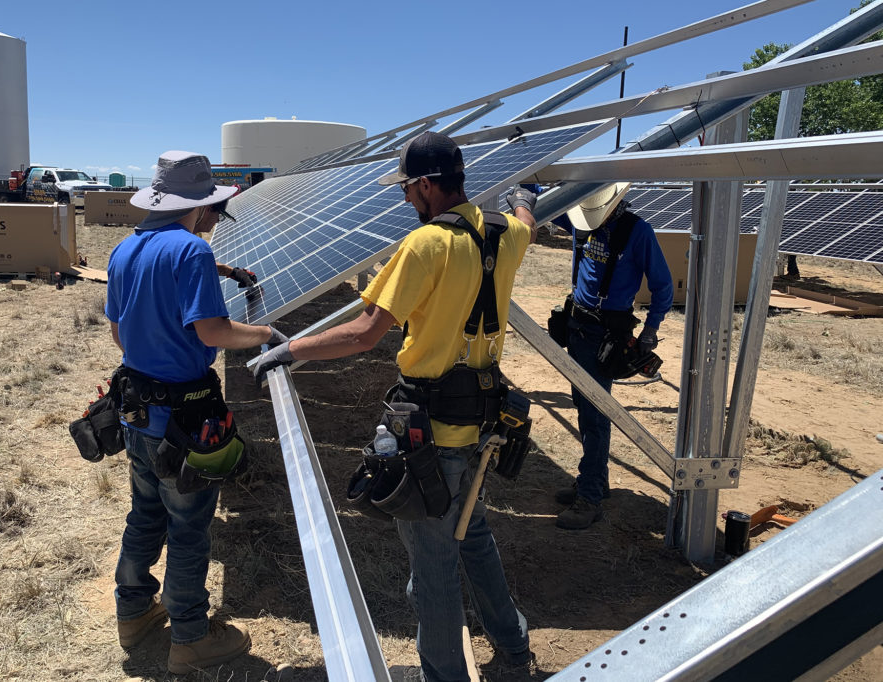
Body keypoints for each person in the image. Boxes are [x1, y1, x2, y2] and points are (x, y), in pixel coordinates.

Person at [252, 132, 538, 681]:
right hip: (482, 430)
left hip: (433, 440)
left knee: (432, 574)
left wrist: (290, 350)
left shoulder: (426, 245)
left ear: (429, 185)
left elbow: (364, 334)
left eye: (410, 188)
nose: (406, 199)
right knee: (474, 537)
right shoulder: (505, 236)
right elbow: (525, 218)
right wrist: (525, 192)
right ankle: (515, 648)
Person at [105, 150, 287, 674]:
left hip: (135, 410)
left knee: (144, 514)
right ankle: (189, 637)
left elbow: (118, 330)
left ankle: (134, 612)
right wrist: (268, 335)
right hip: (182, 418)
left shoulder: (125, 248)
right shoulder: (190, 252)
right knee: (188, 527)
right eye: (212, 208)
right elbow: (214, 332)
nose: (213, 218)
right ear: (199, 205)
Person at [552, 183, 673, 530]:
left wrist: (650, 330)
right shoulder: (582, 223)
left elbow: (663, 286)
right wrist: (527, 180)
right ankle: (596, 481)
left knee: (595, 413)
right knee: (584, 407)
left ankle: (589, 496)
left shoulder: (638, 232)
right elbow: (544, 204)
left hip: (604, 335)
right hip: (576, 327)